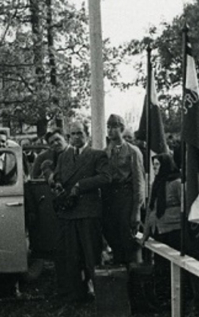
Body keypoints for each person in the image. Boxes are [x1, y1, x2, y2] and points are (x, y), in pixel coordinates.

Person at [52, 123, 112, 303]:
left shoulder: (97, 155)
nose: (76, 137)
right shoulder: (64, 156)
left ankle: (100, 295)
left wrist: (81, 186)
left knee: (92, 255)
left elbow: (106, 177)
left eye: (80, 133)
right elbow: (57, 176)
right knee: (71, 256)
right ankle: (75, 295)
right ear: (68, 137)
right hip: (68, 212)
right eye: (72, 134)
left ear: (87, 134)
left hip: (88, 212)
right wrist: (57, 185)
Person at [102, 114, 145, 265]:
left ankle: (132, 278)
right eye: (108, 127)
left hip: (125, 197)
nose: (110, 130)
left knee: (128, 240)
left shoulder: (132, 151)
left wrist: (137, 210)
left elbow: (139, 181)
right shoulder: (105, 152)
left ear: (121, 128)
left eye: (114, 127)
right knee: (112, 237)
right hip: (109, 199)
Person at [143, 153, 182, 250]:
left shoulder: (177, 183)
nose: (154, 167)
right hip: (157, 229)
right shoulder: (155, 184)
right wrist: (145, 235)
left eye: (157, 164)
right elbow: (150, 208)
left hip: (174, 230)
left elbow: (185, 206)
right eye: (153, 165)